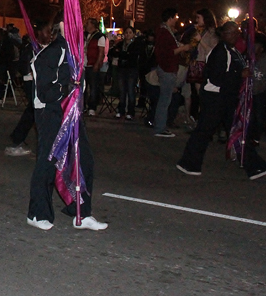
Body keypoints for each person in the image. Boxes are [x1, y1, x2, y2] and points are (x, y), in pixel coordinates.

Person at [27, 14, 107, 231]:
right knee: (48, 162)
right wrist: (67, 87)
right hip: (51, 112)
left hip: (72, 113)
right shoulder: (53, 52)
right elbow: (44, 91)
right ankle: (37, 213)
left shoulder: (75, 51)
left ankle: (82, 211)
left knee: (84, 160)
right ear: (61, 26)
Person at [176, 21, 266, 179]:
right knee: (205, 131)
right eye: (231, 33)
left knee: (235, 131)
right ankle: (188, 163)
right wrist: (240, 75)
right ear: (223, 34)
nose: (235, 35)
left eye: (236, 33)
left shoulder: (232, 51)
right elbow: (217, 78)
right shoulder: (220, 52)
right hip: (216, 98)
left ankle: (253, 165)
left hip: (226, 98)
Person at [6, 21, 52, 156]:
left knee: (32, 111)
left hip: (39, 83)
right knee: (34, 111)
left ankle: (18, 136)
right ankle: (19, 138)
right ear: (40, 33)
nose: (49, 35)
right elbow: (25, 65)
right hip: (31, 82)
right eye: (47, 32)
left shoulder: (46, 47)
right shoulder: (32, 47)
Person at [153, 9, 193, 137]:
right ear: (170, 18)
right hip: (167, 69)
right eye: (175, 16)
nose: (177, 19)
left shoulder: (165, 31)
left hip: (167, 68)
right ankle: (160, 127)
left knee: (165, 99)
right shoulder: (164, 32)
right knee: (165, 100)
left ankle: (160, 126)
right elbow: (168, 52)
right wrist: (183, 48)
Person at [109, 27, 146, 120]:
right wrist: (123, 54)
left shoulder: (136, 44)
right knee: (122, 91)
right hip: (121, 69)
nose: (128, 34)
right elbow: (114, 52)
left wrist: (124, 54)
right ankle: (121, 110)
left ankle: (130, 111)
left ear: (133, 34)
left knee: (130, 90)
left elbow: (133, 56)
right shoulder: (121, 44)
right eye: (126, 32)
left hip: (131, 69)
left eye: (130, 32)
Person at [83, 18, 105, 116]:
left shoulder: (99, 36)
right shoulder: (84, 35)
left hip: (92, 64)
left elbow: (101, 52)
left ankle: (92, 107)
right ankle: (83, 106)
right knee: (83, 87)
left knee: (93, 87)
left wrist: (97, 63)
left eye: (88, 23)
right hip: (83, 64)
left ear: (93, 24)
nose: (86, 25)